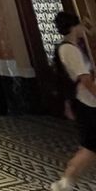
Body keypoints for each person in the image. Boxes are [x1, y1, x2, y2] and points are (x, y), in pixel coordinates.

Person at [51, 11, 96, 190]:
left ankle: (67, 181)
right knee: (90, 145)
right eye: (79, 25)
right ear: (73, 26)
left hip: (84, 100)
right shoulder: (70, 49)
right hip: (86, 101)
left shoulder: (66, 47)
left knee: (90, 145)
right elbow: (84, 79)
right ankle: (66, 180)